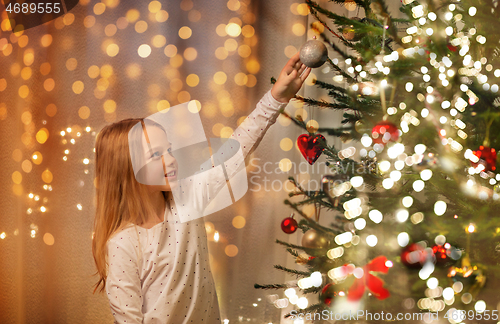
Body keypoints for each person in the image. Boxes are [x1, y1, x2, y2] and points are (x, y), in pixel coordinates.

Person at [91, 52, 311, 323]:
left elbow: (235, 149)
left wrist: (276, 97)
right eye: (156, 155)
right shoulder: (122, 244)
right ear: (126, 171)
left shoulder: (186, 199)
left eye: (168, 150)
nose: (171, 159)